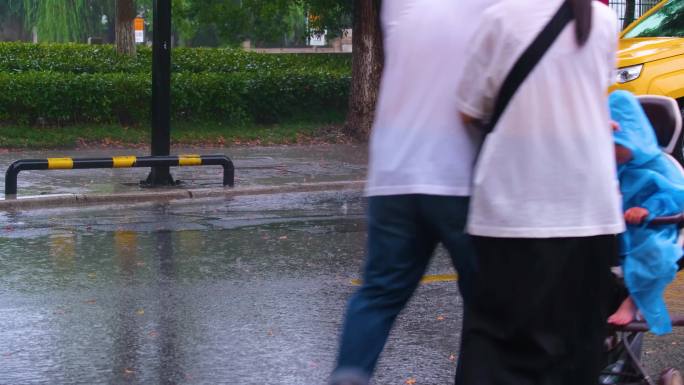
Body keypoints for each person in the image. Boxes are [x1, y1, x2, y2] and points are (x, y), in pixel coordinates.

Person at [456, 0, 624, 384]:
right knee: (575, 355)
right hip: (588, 214)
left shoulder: (499, 19)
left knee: (497, 350)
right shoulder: (604, 21)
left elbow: (467, 109)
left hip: (512, 211)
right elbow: (591, 94)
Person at [328, 1, 496, 384]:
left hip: (393, 172)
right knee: (489, 303)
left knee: (378, 295)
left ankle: (348, 377)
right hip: (460, 174)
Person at [606, 90, 684, 335]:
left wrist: (647, 210)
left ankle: (634, 301)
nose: (612, 152)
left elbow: (674, 195)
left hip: (655, 227)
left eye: (618, 145)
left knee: (656, 251)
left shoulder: (660, 165)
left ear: (635, 138)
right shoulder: (607, 166)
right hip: (612, 233)